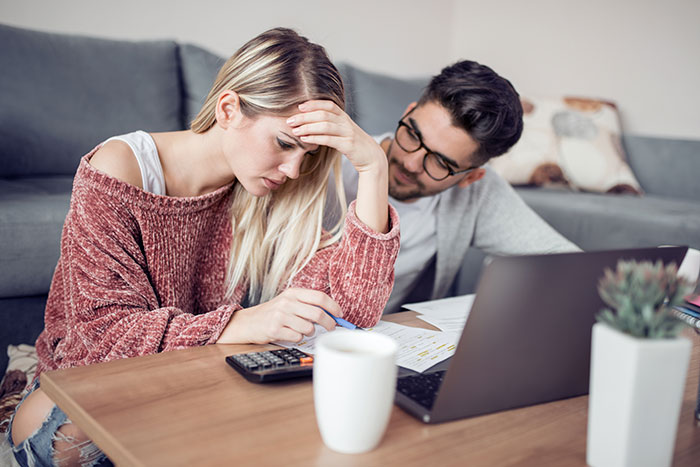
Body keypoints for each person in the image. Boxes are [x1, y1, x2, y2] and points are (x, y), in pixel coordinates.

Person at [7, 28, 398, 466]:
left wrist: (372, 166)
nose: (292, 170)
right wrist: (238, 326)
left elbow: (352, 316)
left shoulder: (272, 190)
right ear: (229, 109)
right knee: (71, 439)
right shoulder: (118, 170)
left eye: (307, 155)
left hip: (196, 375)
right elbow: (98, 342)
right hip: (97, 376)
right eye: (285, 144)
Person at [340, 60, 578, 314]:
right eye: (413, 135)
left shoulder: (476, 193)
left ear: (470, 177)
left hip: (386, 340)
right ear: (407, 113)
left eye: (440, 162)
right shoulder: (334, 162)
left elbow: (571, 265)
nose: (411, 163)